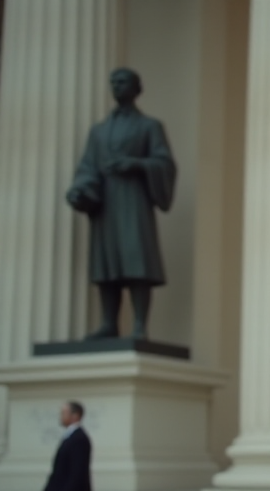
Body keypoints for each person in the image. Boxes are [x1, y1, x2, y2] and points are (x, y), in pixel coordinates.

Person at [66, 67, 177, 341]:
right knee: (107, 262)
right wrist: (80, 190)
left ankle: (140, 324)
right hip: (107, 204)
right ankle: (108, 323)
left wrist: (136, 164)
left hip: (134, 201)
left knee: (137, 260)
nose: (117, 85)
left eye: (123, 81)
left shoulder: (149, 126)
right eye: (113, 81)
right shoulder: (99, 131)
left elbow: (164, 162)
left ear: (137, 88)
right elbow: (87, 166)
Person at [42, 401, 93, 491]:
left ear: (75, 415)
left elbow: (78, 470)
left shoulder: (79, 438)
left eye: (64, 413)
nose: (61, 416)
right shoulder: (70, 436)